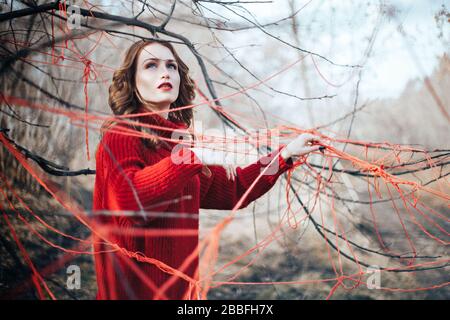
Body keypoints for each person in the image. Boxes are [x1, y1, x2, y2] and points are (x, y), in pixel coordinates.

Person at [92, 39, 323, 300]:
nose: (165, 72)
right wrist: (190, 158)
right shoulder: (121, 134)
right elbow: (130, 202)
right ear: (133, 82)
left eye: (171, 66)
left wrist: (284, 155)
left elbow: (234, 189)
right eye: (151, 66)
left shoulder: (180, 144)